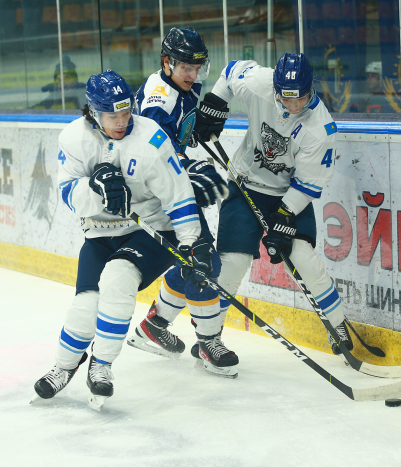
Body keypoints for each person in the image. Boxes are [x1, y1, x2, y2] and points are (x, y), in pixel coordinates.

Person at [32, 70, 210, 410]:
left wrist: (190, 242)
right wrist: (96, 189)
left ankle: (101, 365)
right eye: (112, 114)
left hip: (150, 230)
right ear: (92, 112)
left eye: (126, 112)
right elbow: (68, 194)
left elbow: (179, 196)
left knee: (118, 277)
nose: (121, 120)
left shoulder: (151, 139)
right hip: (100, 233)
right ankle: (64, 367)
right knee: (85, 305)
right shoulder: (73, 139)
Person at [191, 53, 353, 359]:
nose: (293, 106)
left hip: (288, 194)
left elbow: (307, 182)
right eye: (286, 99)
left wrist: (285, 214)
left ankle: (337, 325)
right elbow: (228, 73)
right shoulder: (258, 83)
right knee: (233, 263)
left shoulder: (321, 129)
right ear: (276, 88)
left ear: (311, 89)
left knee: (305, 258)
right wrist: (216, 100)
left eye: (300, 99)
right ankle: (209, 339)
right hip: (244, 184)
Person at [126, 27, 235, 378]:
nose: (193, 74)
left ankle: (154, 326)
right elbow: (155, 156)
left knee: (192, 260)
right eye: (186, 67)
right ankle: (207, 342)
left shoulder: (182, 84)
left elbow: (179, 136)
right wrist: (189, 166)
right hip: (158, 193)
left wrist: (199, 127)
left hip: (173, 187)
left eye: (198, 67)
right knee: (204, 260)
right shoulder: (160, 99)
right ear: (167, 62)